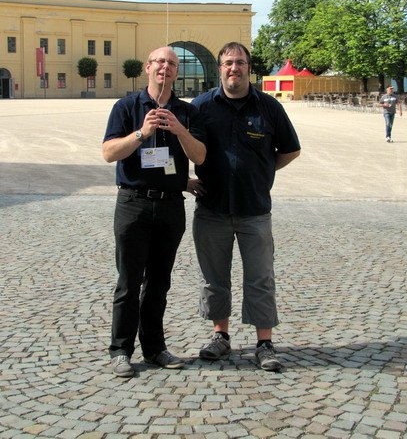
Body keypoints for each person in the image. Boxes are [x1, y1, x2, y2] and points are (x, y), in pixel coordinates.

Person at [188, 42, 301, 372]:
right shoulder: (201, 107)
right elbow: (184, 147)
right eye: (227, 63)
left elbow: (290, 150)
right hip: (211, 209)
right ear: (219, 69)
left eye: (239, 62)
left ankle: (264, 343)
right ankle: (220, 336)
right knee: (214, 278)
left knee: (260, 278)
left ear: (248, 68)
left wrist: (263, 169)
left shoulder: (268, 107)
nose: (233, 68)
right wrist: (184, 181)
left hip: (254, 210)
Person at [102, 46, 206, 377]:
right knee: (129, 282)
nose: (165, 67)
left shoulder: (186, 112)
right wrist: (141, 133)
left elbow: (201, 156)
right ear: (148, 67)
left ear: (176, 73)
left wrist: (179, 130)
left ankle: (155, 348)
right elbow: (108, 153)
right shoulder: (126, 107)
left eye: (172, 64)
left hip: (171, 205)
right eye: (160, 62)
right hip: (133, 203)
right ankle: (120, 350)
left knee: (159, 282)